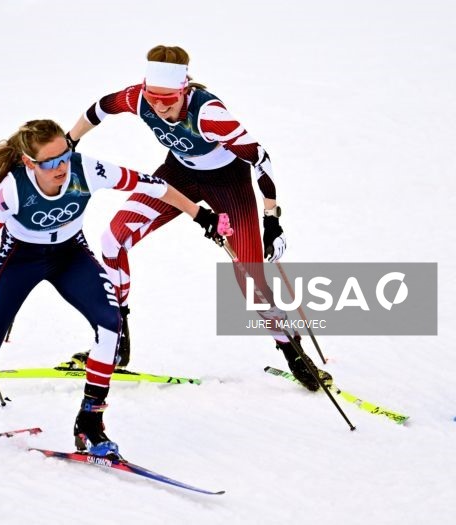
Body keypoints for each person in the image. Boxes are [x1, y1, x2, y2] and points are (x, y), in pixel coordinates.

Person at [0, 119, 232, 456]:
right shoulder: (12, 189)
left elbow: (151, 184)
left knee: (111, 324)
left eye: (64, 155)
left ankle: (90, 424)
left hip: (70, 255)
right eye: (50, 162)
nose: (61, 167)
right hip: (19, 260)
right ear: (29, 163)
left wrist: (200, 215)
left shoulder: (85, 169)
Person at [66, 45, 330, 391]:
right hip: (177, 177)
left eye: (169, 99)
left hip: (229, 187)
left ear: (185, 89)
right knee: (112, 240)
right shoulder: (139, 99)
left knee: (249, 281)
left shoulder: (210, 115)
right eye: (153, 97)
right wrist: (71, 140)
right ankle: (117, 338)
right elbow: (101, 108)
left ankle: (291, 349)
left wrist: (272, 218)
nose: (160, 107)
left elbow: (261, 159)